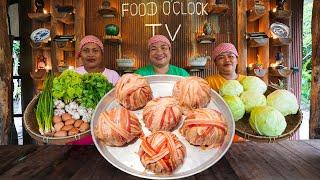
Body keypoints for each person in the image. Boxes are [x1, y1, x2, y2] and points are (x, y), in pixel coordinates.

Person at [69, 35, 120, 145]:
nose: (90, 54)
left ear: (101, 54)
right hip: (78, 131)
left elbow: (119, 102)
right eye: (86, 50)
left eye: (95, 50)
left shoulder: (113, 75)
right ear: (80, 54)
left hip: (107, 128)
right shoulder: (73, 74)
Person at [205, 42, 246, 143]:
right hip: (219, 135)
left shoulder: (248, 81)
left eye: (231, 56)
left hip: (244, 135)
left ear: (237, 59)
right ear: (215, 63)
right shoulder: (208, 82)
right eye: (221, 57)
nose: (227, 60)